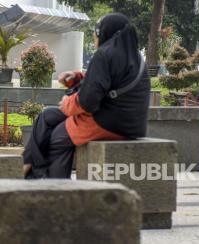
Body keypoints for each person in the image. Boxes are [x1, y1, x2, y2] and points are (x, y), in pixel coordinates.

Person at [23, 13, 150, 179]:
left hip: (108, 123)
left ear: (103, 33)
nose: (94, 38)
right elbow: (107, 83)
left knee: (57, 137)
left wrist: (67, 103)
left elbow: (87, 102)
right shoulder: (135, 57)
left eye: (95, 34)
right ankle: (29, 165)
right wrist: (77, 77)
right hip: (131, 124)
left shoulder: (104, 54)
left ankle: (55, 186)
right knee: (47, 116)